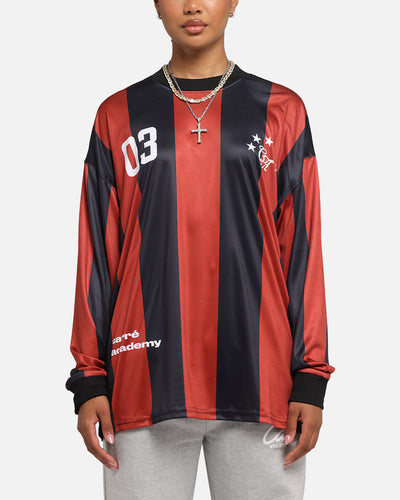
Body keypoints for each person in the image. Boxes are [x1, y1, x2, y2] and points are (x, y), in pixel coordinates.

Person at [65, 1, 335, 498]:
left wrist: (311, 375)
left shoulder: (282, 109)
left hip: (262, 383)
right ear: (155, 4)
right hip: (142, 381)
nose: (193, 4)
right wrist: (89, 377)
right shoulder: (117, 114)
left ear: (233, 2)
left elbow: (302, 250)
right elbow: (96, 255)